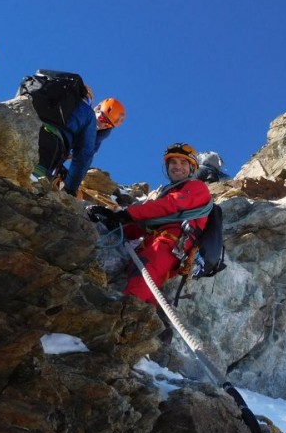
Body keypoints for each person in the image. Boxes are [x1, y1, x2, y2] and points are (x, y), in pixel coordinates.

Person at [87, 143, 212, 307]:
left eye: (183, 163)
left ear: (191, 168)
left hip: (173, 241)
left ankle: (121, 312)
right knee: (144, 279)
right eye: (173, 162)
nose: (177, 167)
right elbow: (146, 223)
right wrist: (113, 222)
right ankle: (157, 327)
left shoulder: (197, 187)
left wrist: (127, 214)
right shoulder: (168, 193)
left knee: (144, 274)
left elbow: (171, 205)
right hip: (161, 240)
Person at [31, 87, 97, 196]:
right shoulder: (87, 112)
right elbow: (84, 154)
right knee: (32, 185)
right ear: (87, 98)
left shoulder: (48, 91)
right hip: (51, 146)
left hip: (27, 128)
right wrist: (70, 188)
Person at [62, 97, 126, 195]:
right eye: (103, 118)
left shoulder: (98, 136)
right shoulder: (81, 113)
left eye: (108, 125)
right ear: (97, 108)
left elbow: (85, 156)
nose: (103, 124)